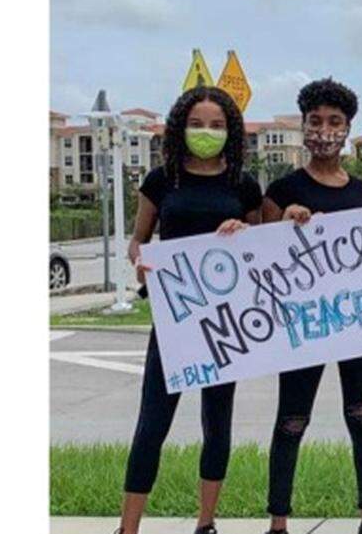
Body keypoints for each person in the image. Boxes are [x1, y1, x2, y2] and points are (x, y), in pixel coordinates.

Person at [116, 86, 263, 534]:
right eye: (197, 123)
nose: (206, 132)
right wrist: (141, 262)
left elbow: (261, 249)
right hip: (174, 321)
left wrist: (243, 233)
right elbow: (138, 240)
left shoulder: (243, 185)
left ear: (230, 131)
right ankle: (128, 527)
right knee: (152, 424)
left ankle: (206, 522)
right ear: (180, 127)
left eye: (216, 125)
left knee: (217, 424)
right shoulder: (162, 181)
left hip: (224, 324)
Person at [262, 78, 362, 534]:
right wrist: (285, 224)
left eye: (335, 121)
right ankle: (278, 521)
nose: (325, 130)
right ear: (304, 125)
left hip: (355, 320)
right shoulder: (282, 190)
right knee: (291, 420)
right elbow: (259, 258)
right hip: (302, 324)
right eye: (316, 121)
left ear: (347, 129)